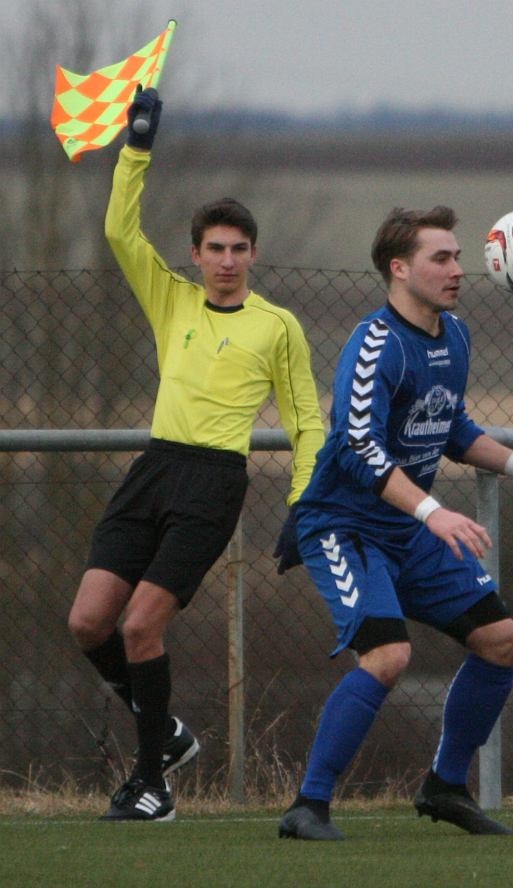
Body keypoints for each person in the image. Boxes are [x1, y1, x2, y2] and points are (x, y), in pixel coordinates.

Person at [276, 205, 513, 841]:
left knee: (502, 639)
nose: (457, 270)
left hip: (408, 531)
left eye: (457, 256)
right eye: (440, 258)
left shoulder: (455, 336)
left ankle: (445, 788)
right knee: (389, 654)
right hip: (343, 527)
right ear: (399, 269)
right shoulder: (375, 344)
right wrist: (432, 511)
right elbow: (358, 448)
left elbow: (451, 427)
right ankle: (308, 807)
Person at [67, 87, 324, 822]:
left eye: (239, 249)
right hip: (153, 470)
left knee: (142, 625)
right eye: (215, 248)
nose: (227, 260)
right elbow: (120, 230)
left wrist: (305, 501)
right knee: (90, 622)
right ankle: (167, 734)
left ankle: (153, 783)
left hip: (212, 483)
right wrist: (136, 148)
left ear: (253, 256)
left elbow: (308, 422)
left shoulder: (277, 326)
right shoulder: (171, 298)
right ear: (196, 254)